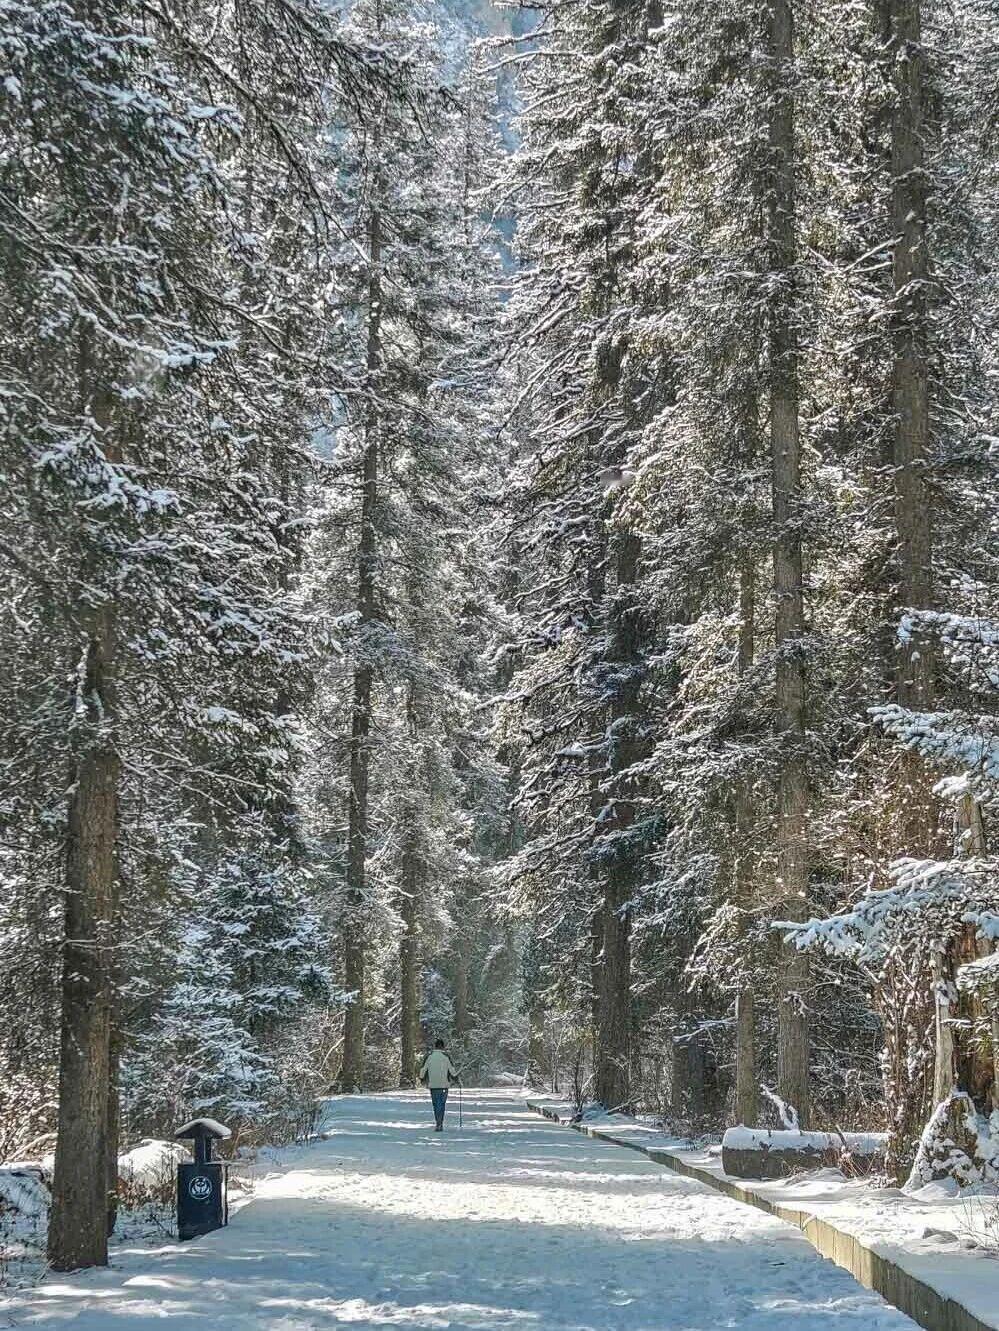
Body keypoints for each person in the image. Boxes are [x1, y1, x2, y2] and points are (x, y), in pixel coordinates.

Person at [418, 1038, 459, 1131]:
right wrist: (456, 1078)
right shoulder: (446, 1056)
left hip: (433, 1085)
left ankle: (438, 1123)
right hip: (444, 1085)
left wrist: (421, 1078)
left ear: (435, 1046)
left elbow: (423, 1069)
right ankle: (440, 1123)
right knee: (442, 1104)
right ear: (443, 1046)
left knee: (436, 1104)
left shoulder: (429, 1056)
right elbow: (452, 1070)